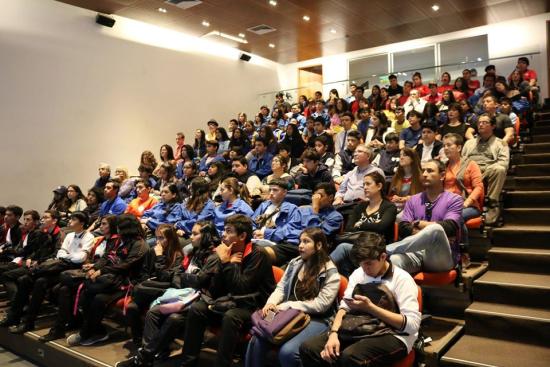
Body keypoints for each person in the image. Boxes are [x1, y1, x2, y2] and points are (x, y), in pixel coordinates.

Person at [300, 232, 420, 367]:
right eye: (361, 264)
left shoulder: (402, 279)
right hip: (361, 326)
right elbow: (344, 306)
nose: (365, 269)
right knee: (309, 349)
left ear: (383, 257)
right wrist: (334, 333)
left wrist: (371, 308)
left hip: (395, 335)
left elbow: (412, 325)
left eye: (369, 263)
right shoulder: (359, 273)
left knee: (349, 358)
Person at [116, 221, 220, 367]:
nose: (191, 236)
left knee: (173, 318)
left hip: (197, 299)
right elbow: (176, 277)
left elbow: (194, 281)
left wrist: (178, 275)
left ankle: (143, 358)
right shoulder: (193, 252)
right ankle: (147, 354)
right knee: (148, 311)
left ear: (207, 236)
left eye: (195, 234)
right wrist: (182, 278)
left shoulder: (212, 256)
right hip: (181, 293)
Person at [178, 214, 275, 367]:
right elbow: (215, 290)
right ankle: (187, 362)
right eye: (224, 230)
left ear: (242, 236)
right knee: (197, 309)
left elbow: (242, 289)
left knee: (231, 317)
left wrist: (227, 263)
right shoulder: (225, 252)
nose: (223, 234)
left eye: (229, 231)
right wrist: (223, 263)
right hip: (231, 300)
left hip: (255, 306)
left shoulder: (259, 254)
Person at [246, 227, 340, 367]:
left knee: (288, 351)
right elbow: (281, 288)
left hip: (317, 318)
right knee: (258, 337)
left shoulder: (331, 273)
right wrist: (271, 303)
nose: (300, 245)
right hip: (288, 312)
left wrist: (289, 305)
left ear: (319, 245)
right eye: (300, 241)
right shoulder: (295, 262)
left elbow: (321, 305)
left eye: (306, 241)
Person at [0, 212, 94, 329]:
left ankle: (29, 322)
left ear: (82, 223)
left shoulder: (88, 236)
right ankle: (14, 317)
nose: (70, 221)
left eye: (73, 219)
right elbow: (60, 254)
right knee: (24, 279)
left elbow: (80, 258)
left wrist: (67, 255)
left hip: (71, 270)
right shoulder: (69, 235)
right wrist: (70, 256)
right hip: (59, 265)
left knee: (39, 281)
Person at [67, 214, 148, 346]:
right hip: (113, 279)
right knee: (86, 294)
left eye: (120, 227)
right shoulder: (122, 241)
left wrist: (102, 271)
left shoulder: (140, 244)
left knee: (98, 299)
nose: (117, 230)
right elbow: (108, 257)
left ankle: (85, 333)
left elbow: (126, 265)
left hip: (128, 282)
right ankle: (98, 331)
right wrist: (95, 267)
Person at [38, 215, 119, 342]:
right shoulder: (101, 240)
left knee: (62, 285)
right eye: (101, 224)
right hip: (90, 270)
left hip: (102, 275)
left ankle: (64, 328)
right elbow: (64, 254)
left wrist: (94, 266)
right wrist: (92, 264)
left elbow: (109, 261)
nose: (101, 227)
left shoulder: (116, 241)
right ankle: (67, 325)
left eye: (104, 224)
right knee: (61, 288)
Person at [390, 160, 463, 274]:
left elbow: (449, 227)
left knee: (436, 230)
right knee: (393, 260)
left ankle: (386, 249)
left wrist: (417, 223)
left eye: (430, 171)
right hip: (414, 254)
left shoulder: (454, 199)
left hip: (440, 257)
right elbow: (403, 228)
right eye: (423, 171)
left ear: (442, 175)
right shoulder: (413, 200)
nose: (424, 174)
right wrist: (430, 236)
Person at [124, 224, 184, 346]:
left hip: (165, 291)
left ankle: (155, 345)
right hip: (150, 289)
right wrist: (148, 281)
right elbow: (144, 273)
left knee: (151, 308)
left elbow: (167, 278)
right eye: (157, 238)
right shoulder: (153, 251)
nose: (158, 241)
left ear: (171, 239)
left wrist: (160, 256)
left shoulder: (177, 255)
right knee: (131, 308)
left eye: (162, 238)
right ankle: (138, 341)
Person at [330, 172, 398, 277]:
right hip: (357, 246)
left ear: (379, 186)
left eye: (368, 184)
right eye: (363, 185)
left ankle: (320, 270)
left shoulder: (389, 207)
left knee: (343, 247)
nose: (365, 187)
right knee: (344, 262)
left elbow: (381, 228)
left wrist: (360, 224)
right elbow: (349, 229)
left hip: (377, 249)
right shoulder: (360, 207)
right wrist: (372, 225)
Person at [462, 114, 510, 225]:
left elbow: (504, 162)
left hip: (488, 170)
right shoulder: (469, 143)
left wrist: (486, 169)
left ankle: (492, 203)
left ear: (493, 126)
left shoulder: (500, 143)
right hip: (470, 171)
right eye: (479, 122)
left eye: (484, 122)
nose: (480, 124)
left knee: (499, 169)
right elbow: (462, 161)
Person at [252, 178, 303, 265]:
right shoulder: (263, 205)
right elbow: (251, 222)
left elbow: (291, 230)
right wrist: (254, 231)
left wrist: (265, 233)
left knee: (258, 255)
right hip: (257, 241)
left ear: (285, 192)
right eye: (270, 190)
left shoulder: (292, 209)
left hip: (280, 244)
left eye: (275, 190)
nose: (271, 193)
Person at [388, 148, 423, 214]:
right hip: (395, 208)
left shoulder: (420, 178)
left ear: (412, 159)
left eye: (404, 155)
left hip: (412, 209)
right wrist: (393, 198)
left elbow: (423, 198)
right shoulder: (396, 176)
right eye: (400, 155)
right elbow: (390, 196)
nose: (401, 157)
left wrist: (405, 199)